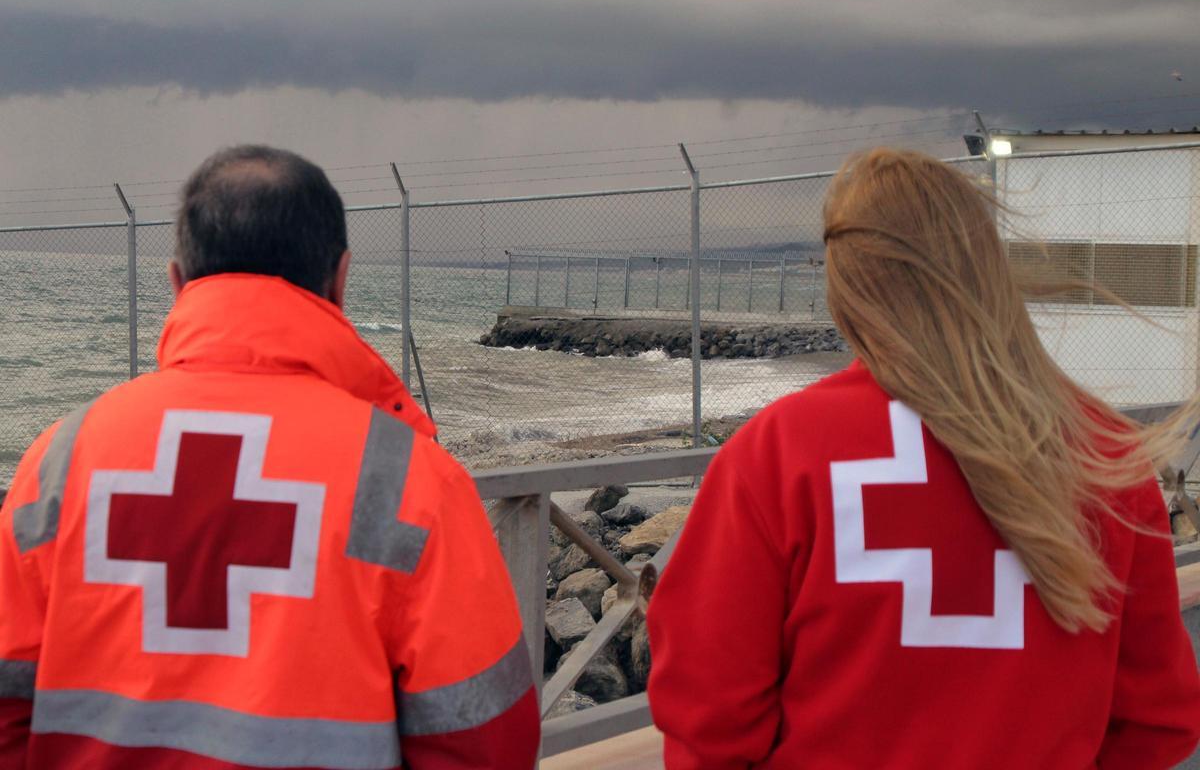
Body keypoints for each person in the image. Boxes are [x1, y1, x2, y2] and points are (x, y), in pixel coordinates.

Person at [647, 148, 1200, 769]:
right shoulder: (1105, 454)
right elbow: (1159, 720)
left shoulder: (776, 454)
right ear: (987, 267)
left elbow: (709, 720)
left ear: (845, 285)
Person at [0, 145, 539, 769]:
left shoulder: (57, 460)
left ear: (177, 282)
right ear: (339, 280)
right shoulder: (415, 481)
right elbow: (485, 742)